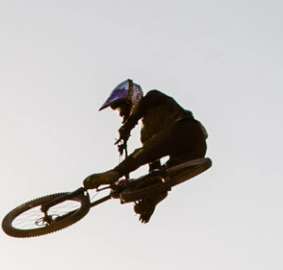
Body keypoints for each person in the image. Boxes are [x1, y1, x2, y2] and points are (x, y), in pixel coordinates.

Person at [84, 79, 208, 223]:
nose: (122, 114)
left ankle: (116, 172)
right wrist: (149, 202)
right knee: (164, 173)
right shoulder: (146, 133)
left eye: (122, 108)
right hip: (196, 148)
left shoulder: (153, 97)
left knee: (144, 152)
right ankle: (153, 198)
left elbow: (142, 108)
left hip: (184, 127)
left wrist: (127, 127)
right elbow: (154, 166)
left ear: (132, 98)